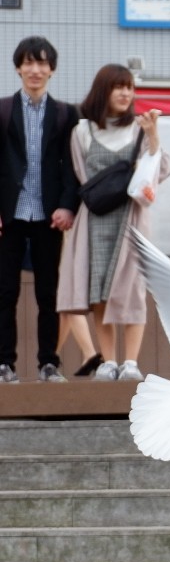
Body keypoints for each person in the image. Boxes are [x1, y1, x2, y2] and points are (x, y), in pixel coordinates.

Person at [58, 64, 169, 381]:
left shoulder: (139, 128)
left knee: (132, 290)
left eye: (130, 87)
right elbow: (80, 174)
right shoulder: (81, 131)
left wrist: (153, 135)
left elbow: (159, 170)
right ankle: (108, 361)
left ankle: (131, 362)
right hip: (93, 220)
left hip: (132, 219)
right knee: (99, 294)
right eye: (118, 86)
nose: (125, 93)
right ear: (102, 89)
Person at [0, 36, 81, 383]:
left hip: (49, 216)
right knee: (5, 292)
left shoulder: (65, 113)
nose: (35, 70)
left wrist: (67, 205)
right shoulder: (2, 109)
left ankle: (49, 362)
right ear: (18, 67)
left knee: (49, 293)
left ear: (52, 70)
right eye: (29, 63)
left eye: (42, 63)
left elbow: (72, 166)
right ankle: (5, 364)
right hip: (9, 215)